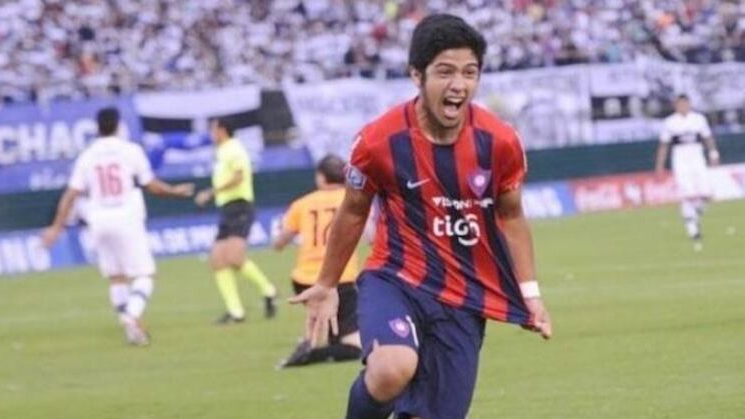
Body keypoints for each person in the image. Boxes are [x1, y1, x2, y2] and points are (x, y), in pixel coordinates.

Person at [290, 14, 553, 419]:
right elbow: (353, 210)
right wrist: (326, 283)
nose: (459, 84)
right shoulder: (379, 141)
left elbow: (512, 216)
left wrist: (530, 293)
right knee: (391, 369)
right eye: (445, 72)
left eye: (470, 72)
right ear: (417, 75)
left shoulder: (500, 142)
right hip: (395, 278)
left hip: (465, 297)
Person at [41, 107, 194, 346]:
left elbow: (70, 195)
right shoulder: (130, 150)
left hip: (98, 219)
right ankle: (132, 314)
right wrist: (175, 191)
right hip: (126, 216)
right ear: (118, 125)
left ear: (98, 127)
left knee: (116, 277)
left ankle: (130, 327)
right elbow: (151, 185)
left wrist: (55, 227)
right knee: (144, 275)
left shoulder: (88, 156)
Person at [273, 155, 363, 368]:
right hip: (341, 277)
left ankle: (313, 343)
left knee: (332, 329)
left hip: (304, 279)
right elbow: (371, 236)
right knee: (355, 346)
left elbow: (279, 243)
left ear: (321, 178)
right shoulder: (354, 199)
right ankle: (311, 351)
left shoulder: (302, 203)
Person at [195, 118, 278, 324]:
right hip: (226, 208)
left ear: (222, 130)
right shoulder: (222, 150)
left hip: (240, 205)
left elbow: (239, 176)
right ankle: (236, 311)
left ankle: (268, 289)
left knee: (233, 257)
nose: (211, 134)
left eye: (213, 129)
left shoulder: (234, 148)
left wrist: (211, 192)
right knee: (217, 260)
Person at [656, 94, 720, 251]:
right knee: (687, 194)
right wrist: (660, 165)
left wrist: (713, 153)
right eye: (680, 104)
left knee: (706, 194)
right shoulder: (670, 122)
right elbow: (664, 144)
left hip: (697, 157)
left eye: (685, 103)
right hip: (681, 160)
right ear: (676, 106)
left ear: (689, 104)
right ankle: (692, 229)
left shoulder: (698, 119)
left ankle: (695, 214)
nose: (683, 106)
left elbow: (707, 138)